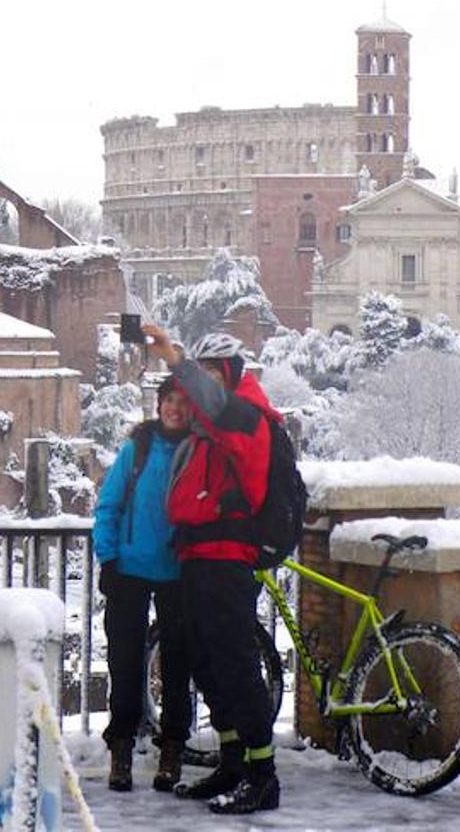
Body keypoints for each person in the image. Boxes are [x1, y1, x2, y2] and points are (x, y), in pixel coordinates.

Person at [144, 324, 282, 815]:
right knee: (207, 663)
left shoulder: (243, 415)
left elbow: (209, 399)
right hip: (199, 556)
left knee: (236, 665)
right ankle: (232, 762)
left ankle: (262, 774)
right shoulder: (216, 424)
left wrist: (175, 359)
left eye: (206, 374)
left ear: (223, 373)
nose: (196, 385)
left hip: (226, 557)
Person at [91, 376, 194, 793]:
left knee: (177, 665)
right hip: (130, 571)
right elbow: (109, 506)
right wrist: (109, 558)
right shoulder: (137, 450)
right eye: (169, 400)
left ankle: (172, 748)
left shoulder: (196, 452)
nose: (175, 408)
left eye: (183, 403)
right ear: (159, 404)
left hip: (179, 573)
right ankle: (121, 749)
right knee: (126, 662)